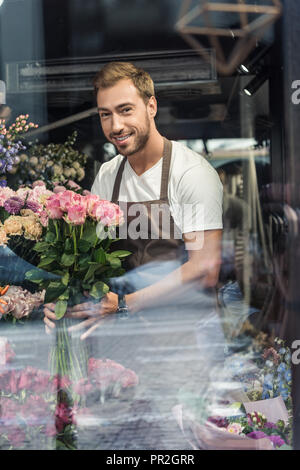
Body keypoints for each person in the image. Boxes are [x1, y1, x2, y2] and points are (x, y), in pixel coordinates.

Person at [43, 61, 223, 340]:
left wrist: (125, 305)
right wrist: (64, 300)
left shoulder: (190, 173)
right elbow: (91, 258)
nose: (116, 126)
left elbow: (204, 269)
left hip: (186, 340)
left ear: (151, 106)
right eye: (105, 114)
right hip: (127, 340)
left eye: (126, 110)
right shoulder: (108, 175)